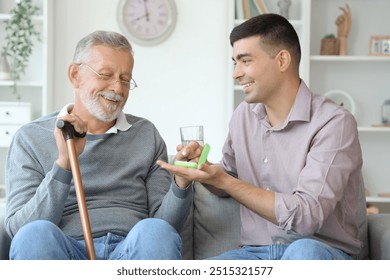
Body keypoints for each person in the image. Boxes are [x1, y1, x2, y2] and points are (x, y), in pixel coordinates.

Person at [158, 13, 366, 260]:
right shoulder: (243, 116)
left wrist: (225, 181)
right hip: (254, 254)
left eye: (245, 61)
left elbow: (307, 217)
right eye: (234, 62)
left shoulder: (334, 123)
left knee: (303, 253)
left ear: (282, 60)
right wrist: (204, 171)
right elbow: (230, 180)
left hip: (317, 251)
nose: (236, 73)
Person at [5, 30, 192, 260]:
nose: (117, 88)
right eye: (105, 74)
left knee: (155, 231)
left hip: (131, 252)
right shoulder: (31, 138)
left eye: (125, 79)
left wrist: (181, 183)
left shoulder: (146, 135)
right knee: (34, 234)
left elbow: (165, 228)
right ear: (75, 75)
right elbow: (19, 230)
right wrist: (64, 164)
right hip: (66, 254)